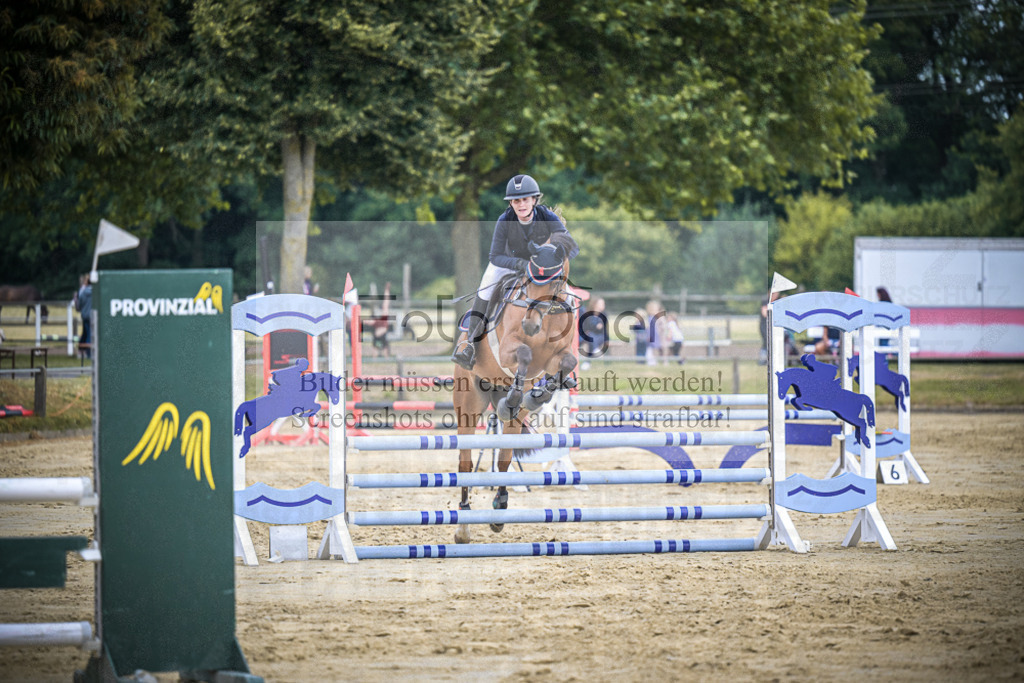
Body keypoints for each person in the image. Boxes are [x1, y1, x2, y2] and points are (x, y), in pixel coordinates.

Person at [451, 174, 579, 370]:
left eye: (525, 199)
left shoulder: (547, 216)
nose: (521, 205)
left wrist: (553, 253)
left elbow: (572, 247)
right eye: (516, 201)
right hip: (508, 263)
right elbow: (495, 256)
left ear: (534, 200)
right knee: (485, 289)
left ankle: (563, 345)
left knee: (568, 293)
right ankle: (469, 343)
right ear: (511, 203)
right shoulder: (505, 220)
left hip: (541, 267)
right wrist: (521, 265)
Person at [579, 297, 608, 369]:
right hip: (590, 336)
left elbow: (603, 329)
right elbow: (586, 326)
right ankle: (594, 352)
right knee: (590, 336)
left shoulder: (604, 314)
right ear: (595, 304)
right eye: (601, 303)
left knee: (591, 337)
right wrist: (595, 326)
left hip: (601, 337)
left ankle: (587, 362)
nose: (603, 305)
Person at [76, 274, 92, 359]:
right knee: (90, 334)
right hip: (92, 316)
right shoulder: (95, 293)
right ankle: (89, 353)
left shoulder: (83, 292)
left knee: (86, 333)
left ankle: (81, 349)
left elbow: (80, 304)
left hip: (84, 316)